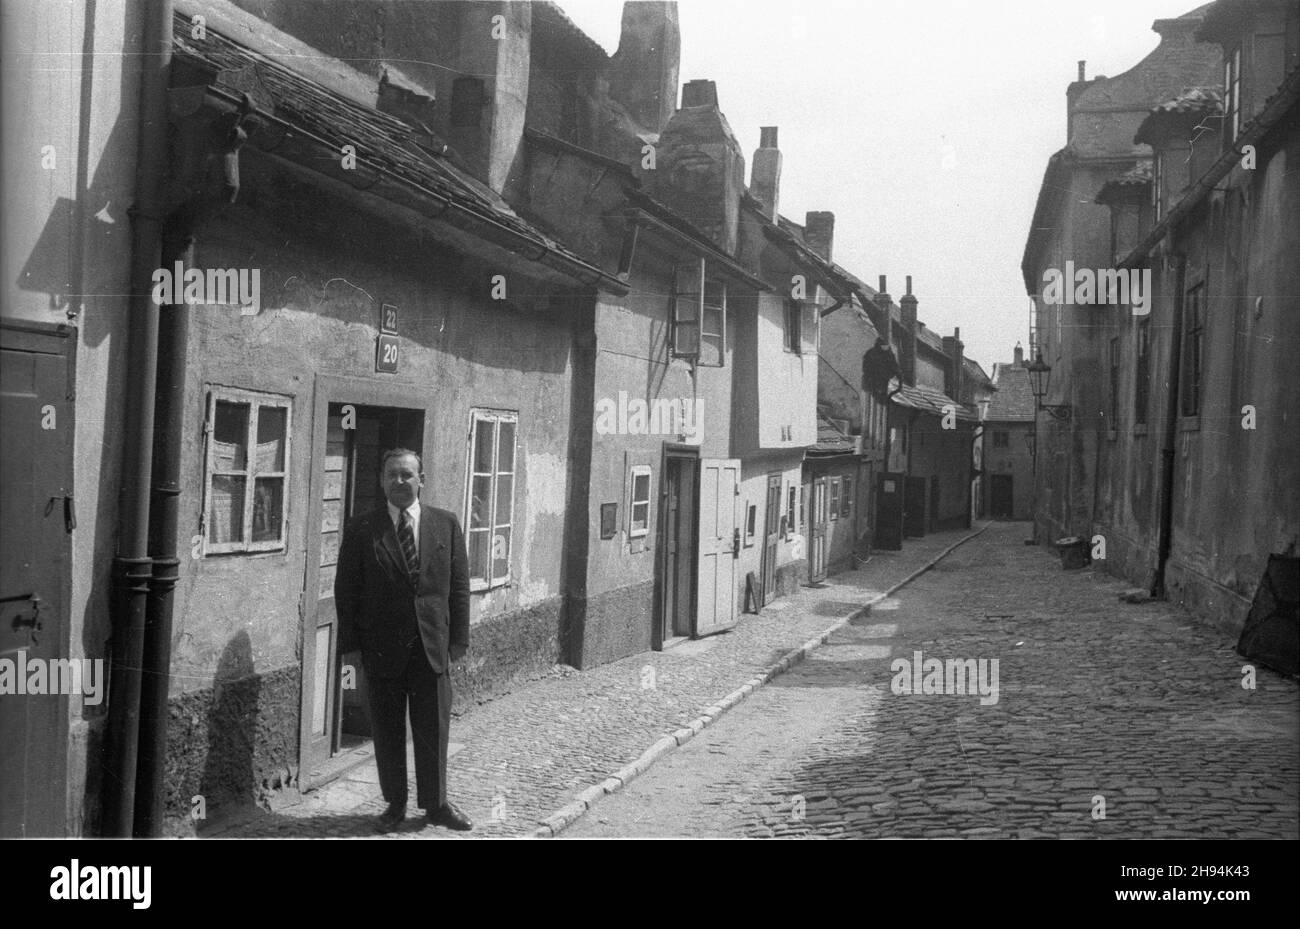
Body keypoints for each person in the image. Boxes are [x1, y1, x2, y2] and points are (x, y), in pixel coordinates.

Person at [334, 447, 472, 832]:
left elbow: (459, 587)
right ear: (381, 481)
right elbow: (346, 590)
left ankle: (437, 805)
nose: (399, 482)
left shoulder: (445, 524)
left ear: (421, 481)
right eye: (392, 475)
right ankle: (394, 804)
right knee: (388, 729)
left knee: (433, 729)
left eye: (407, 475)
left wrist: (458, 638)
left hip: (432, 647)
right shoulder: (363, 528)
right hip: (382, 649)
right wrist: (353, 648)